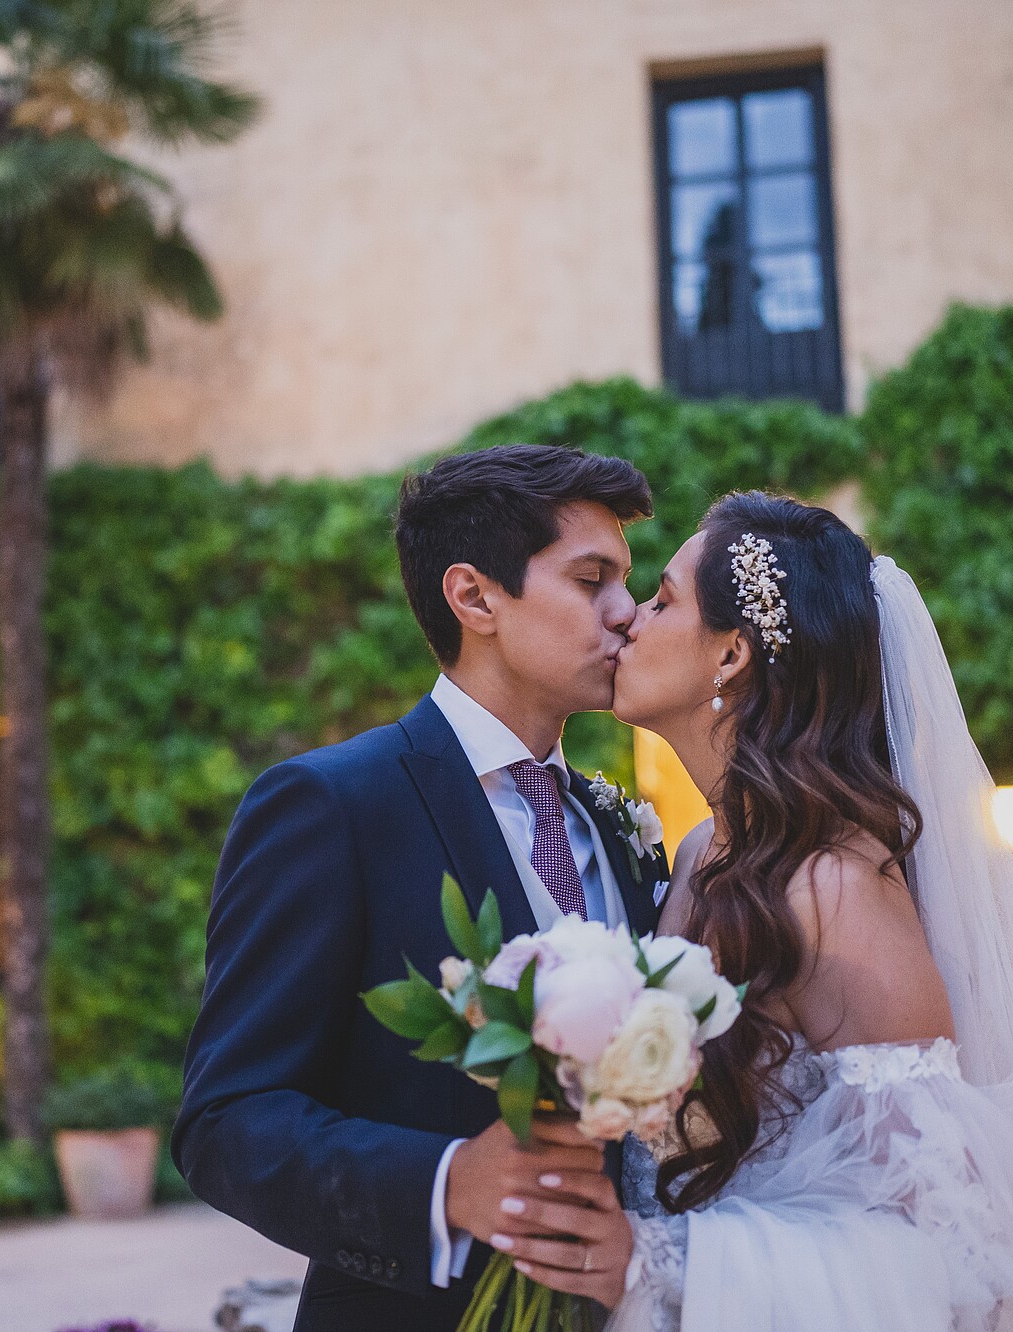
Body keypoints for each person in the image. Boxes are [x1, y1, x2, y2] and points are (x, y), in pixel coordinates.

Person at [495, 490, 1013, 1329]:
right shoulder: (694, 858)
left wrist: (656, 1264)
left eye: (663, 599)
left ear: (731, 656)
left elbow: (949, 1240)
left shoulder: (833, 888)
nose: (629, 620)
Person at [172, 444, 668, 1330]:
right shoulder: (330, 806)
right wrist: (445, 1185)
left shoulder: (620, 828)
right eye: (592, 579)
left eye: (627, 582)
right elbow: (227, 1122)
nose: (628, 614)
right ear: (475, 597)